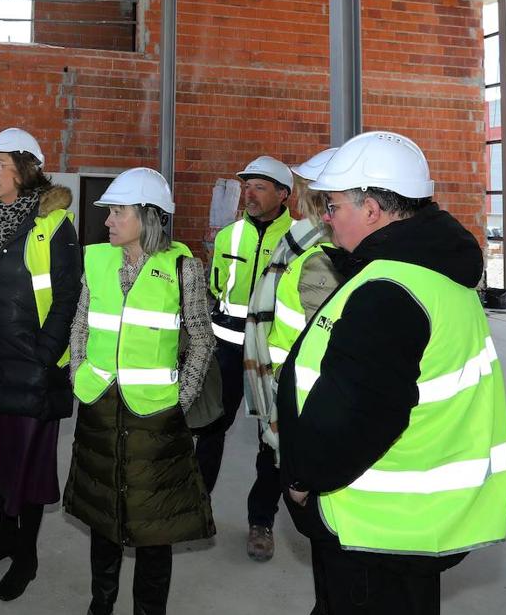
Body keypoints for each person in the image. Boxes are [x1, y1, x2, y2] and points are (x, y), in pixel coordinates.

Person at [279, 131, 506, 614]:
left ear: (371, 210)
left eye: (334, 205)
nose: (326, 216)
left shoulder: (389, 289)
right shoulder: (433, 274)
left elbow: (360, 412)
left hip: (372, 524)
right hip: (409, 524)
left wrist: (303, 478)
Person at [64, 168, 216, 615]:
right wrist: (77, 375)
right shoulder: (97, 260)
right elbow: (80, 323)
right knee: (102, 515)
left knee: (155, 523)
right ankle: (101, 605)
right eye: (109, 212)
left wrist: (181, 399)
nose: (108, 221)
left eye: (117, 212)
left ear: (148, 217)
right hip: (99, 408)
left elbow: (202, 338)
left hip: (156, 417)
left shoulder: (183, 268)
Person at [0, 127, 80, 603]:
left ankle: (26, 555)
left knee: (26, 467)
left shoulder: (54, 224)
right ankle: (5, 539)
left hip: (31, 364)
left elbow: (68, 298)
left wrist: (46, 356)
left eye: (1, 165)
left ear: (26, 170)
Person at [196, 154, 293, 562]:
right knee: (211, 428)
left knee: (271, 443)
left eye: (259, 187)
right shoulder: (228, 237)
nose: (249, 194)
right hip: (228, 352)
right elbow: (216, 291)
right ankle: (196, 507)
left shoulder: (304, 242)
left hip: (273, 358)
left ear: (283, 194)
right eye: (247, 186)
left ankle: (261, 521)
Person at [242, 148, 340, 453]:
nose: (249, 194)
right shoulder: (300, 242)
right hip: (282, 382)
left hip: (298, 393)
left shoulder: (319, 256)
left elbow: (325, 346)